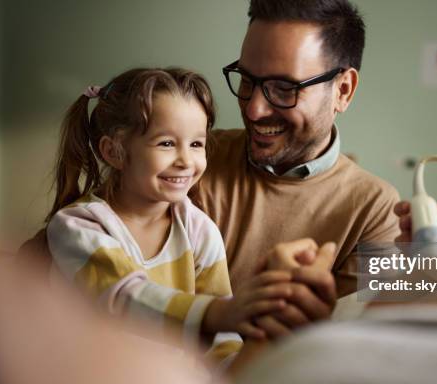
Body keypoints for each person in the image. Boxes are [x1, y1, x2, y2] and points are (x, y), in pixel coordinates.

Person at [45, 67, 306, 361]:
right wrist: (221, 313)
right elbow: (123, 298)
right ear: (114, 152)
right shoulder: (80, 227)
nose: (186, 161)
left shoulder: (200, 231)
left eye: (197, 144)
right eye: (166, 143)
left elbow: (222, 343)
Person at [194, 0, 401, 310]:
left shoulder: (376, 212)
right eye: (247, 80)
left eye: (284, 88)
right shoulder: (191, 161)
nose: (253, 108)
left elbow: (350, 343)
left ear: (342, 91)